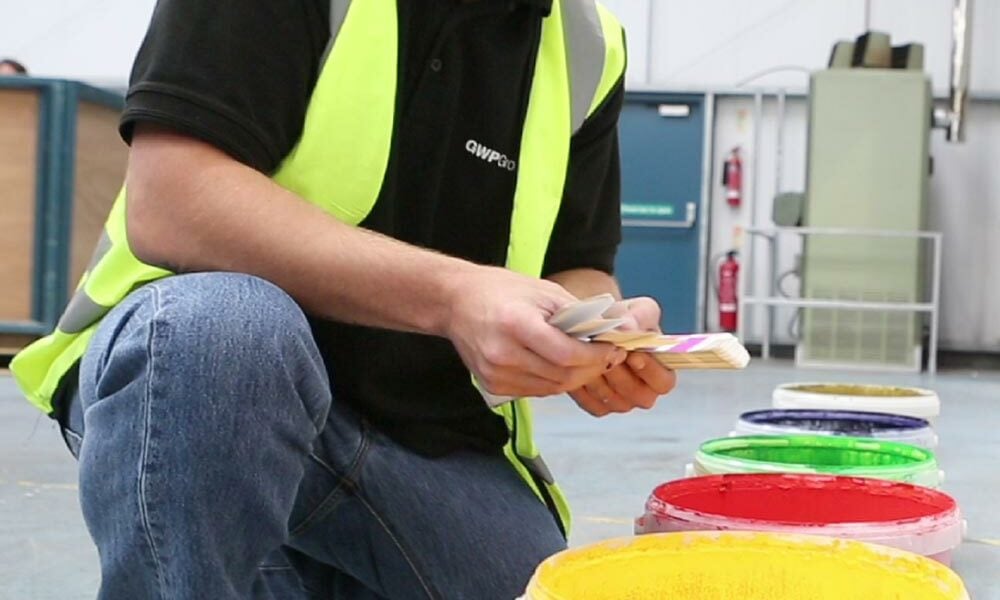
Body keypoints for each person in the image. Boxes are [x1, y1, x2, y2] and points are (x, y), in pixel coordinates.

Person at [11, 0, 677, 598]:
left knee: (539, 586)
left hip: (432, 435)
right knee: (222, 333)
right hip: (208, 391)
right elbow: (173, 199)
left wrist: (598, 329)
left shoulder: (587, 44)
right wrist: (452, 297)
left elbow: (578, 263)